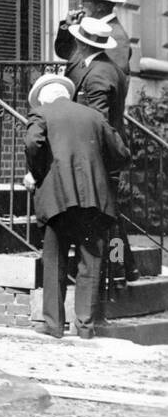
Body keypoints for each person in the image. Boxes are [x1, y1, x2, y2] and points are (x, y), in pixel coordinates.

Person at [24, 74, 129, 339]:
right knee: (90, 263)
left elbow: (32, 143)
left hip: (57, 199)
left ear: (43, 97)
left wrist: (36, 174)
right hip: (94, 199)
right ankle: (84, 326)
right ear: (65, 93)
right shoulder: (93, 116)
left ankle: (54, 324)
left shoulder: (42, 113)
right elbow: (121, 152)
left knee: (55, 261)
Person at [63, 16, 138, 282]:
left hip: (100, 155)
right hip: (102, 152)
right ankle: (126, 267)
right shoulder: (97, 65)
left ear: (83, 44)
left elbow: (97, 121)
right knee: (110, 212)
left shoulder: (99, 75)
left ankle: (118, 268)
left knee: (107, 215)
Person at [56, 0, 131, 75]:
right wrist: (67, 25)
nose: (80, 5)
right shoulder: (92, 28)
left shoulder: (117, 36)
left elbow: (113, 75)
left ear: (100, 7)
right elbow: (65, 53)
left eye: (84, 2)